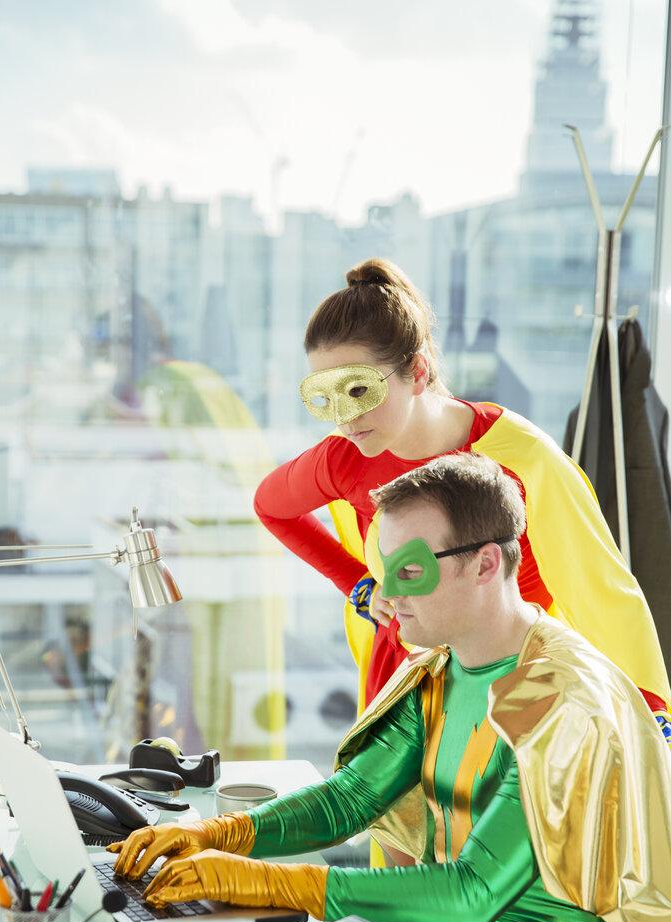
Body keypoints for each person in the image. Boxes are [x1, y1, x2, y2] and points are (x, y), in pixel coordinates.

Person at [111, 454, 671, 922]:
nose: (387, 594)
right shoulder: (437, 669)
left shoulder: (563, 700)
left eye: (410, 571)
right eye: (384, 570)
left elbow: (472, 893)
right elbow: (347, 801)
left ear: (486, 564)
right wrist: (213, 835)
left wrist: (260, 881)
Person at [253, 258, 670, 735]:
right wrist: (360, 586)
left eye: (360, 390)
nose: (345, 420)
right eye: (325, 398)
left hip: (513, 687)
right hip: (406, 680)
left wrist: (649, 709)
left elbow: (600, 586)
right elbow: (271, 507)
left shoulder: (521, 456)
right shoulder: (345, 457)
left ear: (416, 370)